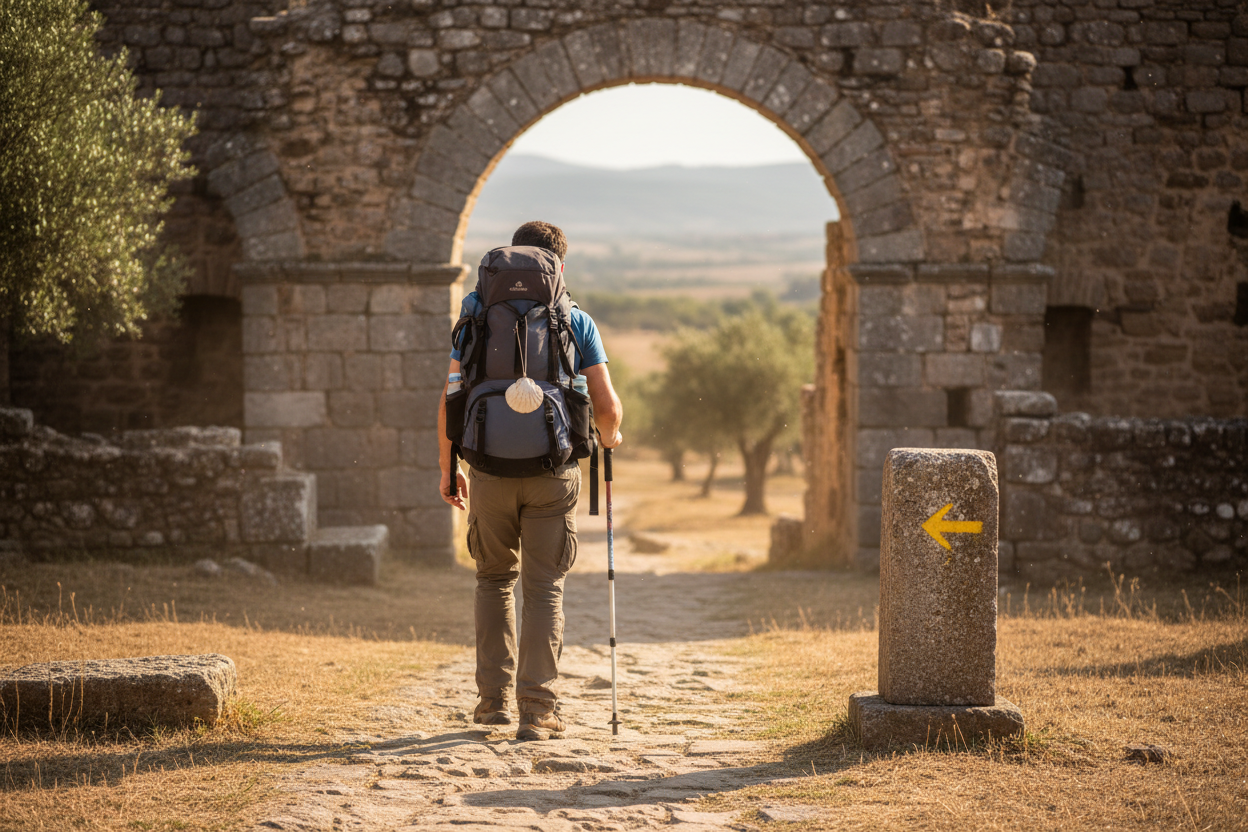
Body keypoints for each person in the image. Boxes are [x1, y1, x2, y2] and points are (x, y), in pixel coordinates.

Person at [438, 220, 624, 741]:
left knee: (493, 581)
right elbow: (606, 407)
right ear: (560, 265)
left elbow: (451, 398)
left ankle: (492, 703)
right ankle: (538, 711)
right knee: (544, 589)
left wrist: (448, 467)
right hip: (553, 472)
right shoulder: (576, 320)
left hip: (488, 469)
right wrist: (611, 438)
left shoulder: (475, 314)